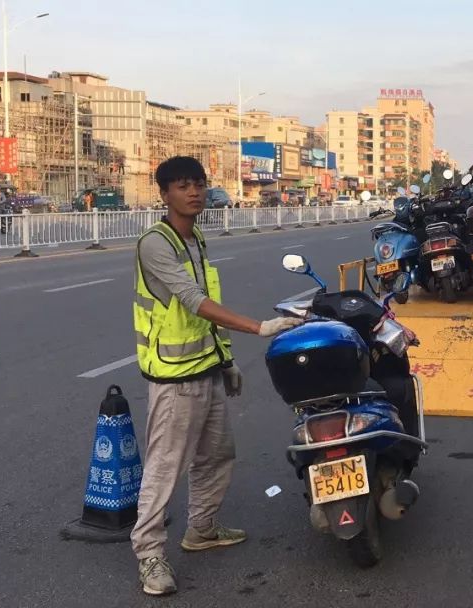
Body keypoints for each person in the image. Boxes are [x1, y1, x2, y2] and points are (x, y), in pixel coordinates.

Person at [130, 156, 302, 596]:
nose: (194, 192)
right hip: (174, 378)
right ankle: (149, 555)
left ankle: (201, 529)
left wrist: (226, 361)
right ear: (164, 194)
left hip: (204, 368)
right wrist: (258, 328)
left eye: (200, 184)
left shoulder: (196, 239)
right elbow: (192, 300)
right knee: (165, 469)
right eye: (183, 186)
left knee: (217, 456)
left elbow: (204, 313)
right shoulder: (157, 243)